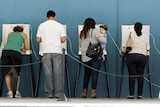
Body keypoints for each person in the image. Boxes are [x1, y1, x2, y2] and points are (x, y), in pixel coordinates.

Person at [36, 10, 66, 98]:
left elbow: (38, 39)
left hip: (46, 51)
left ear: (46, 17)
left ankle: (49, 93)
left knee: (48, 73)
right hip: (57, 50)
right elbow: (63, 39)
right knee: (58, 72)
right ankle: (58, 93)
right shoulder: (59, 25)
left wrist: (45, 40)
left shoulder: (42, 25)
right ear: (55, 17)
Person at [79, 18, 107, 98]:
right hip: (94, 56)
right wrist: (103, 34)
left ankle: (84, 93)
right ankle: (93, 93)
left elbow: (80, 45)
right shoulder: (95, 31)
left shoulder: (82, 32)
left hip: (85, 56)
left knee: (86, 74)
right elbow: (104, 41)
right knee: (94, 74)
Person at [1, 25, 29, 98]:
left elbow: (7, 43)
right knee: (16, 73)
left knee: (7, 73)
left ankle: (10, 92)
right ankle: (16, 92)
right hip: (15, 53)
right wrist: (22, 48)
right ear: (22, 30)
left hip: (5, 52)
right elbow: (26, 47)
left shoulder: (10, 34)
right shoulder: (23, 34)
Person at [124, 22, 150, 99]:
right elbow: (148, 48)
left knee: (132, 76)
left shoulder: (130, 34)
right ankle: (140, 95)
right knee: (140, 76)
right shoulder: (145, 36)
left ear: (134, 28)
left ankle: (131, 94)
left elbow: (125, 45)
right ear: (142, 28)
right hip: (142, 56)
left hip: (131, 56)